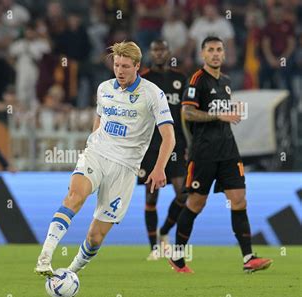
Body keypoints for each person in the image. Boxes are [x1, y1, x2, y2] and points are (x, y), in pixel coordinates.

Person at [34, 41, 175, 276]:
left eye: (125, 66)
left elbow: (169, 137)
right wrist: (93, 140)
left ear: (138, 66)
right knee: (75, 196)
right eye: (117, 65)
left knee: (95, 236)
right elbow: (99, 118)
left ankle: (70, 273)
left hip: (125, 168)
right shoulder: (104, 88)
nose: (119, 71)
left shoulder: (153, 94)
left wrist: (159, 168)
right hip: (97, 154)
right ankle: (45, 256)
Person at [169, 36, 273, 274]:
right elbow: (187, 113)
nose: (215, 54)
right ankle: (177, 256)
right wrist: (218, 117)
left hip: (228, 152)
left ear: (224, 54)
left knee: (239, 200)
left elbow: (222, 115)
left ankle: (248, 258)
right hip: (204, 153)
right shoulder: (197, 80)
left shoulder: (226, 81)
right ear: (203, 54)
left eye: (219, 50)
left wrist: (227, 115)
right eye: (210, 50)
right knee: (196, 203)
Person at [138, 40, 187, 260]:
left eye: (162, 50)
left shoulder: (180, 79)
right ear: (151, 53)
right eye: (155, 50)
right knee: (151, 197)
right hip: (150, 146)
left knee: (183, 194)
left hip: (175, 144)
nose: (159, 54)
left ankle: (164, 232)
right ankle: (153, 248)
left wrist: (188, 145)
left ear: (169, 52)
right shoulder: (143, 79)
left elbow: (185, 116)